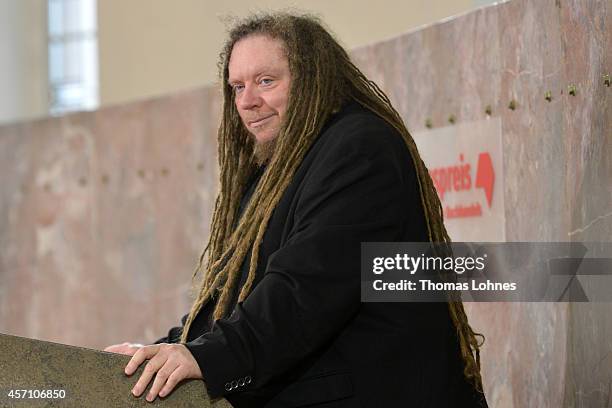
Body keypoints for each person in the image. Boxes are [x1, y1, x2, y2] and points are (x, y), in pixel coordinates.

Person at [105, 12, 488, 407]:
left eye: (266, 81)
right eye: (237, 86)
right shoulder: (280, 165)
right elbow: (237, 295)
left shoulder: (359, 149)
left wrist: (206, 356)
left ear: (311, 77)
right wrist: (163, 352)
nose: (247, 101)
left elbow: (305, 289)